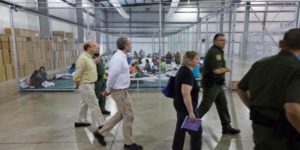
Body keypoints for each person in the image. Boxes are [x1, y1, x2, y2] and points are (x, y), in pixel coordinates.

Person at [237, 28, 300, 150]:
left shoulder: (261, 63)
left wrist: (253, 107)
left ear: (281, 43)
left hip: (260, 130)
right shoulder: (296, 69)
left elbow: (240, 88)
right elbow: (292, 109)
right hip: (285, 135)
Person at [94, 37, 143, 150]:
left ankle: (100, 133)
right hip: (119, 91)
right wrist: (107, 89)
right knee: (128, 115)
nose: (131, 46)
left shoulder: (122, 57)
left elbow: (119, 73)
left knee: (121, 114)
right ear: (125, 46)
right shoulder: (118, 58)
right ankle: (128, 143)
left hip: (122, 90)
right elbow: (112, 75)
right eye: (129, 44)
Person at [197, 33, 240, 135]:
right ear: (215, 41)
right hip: (212, 84)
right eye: (221, 40)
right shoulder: (214, 52)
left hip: (218, 85)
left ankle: (226, 127)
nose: (224, 42)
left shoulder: (218, 52)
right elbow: (216, 70)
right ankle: (188, 126)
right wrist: (226, 69)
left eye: (224, 40)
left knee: (223, 105)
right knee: (205, 106)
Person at [172, 51, 202, 150]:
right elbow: (186, 94)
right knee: (197, 132)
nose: (199, 61)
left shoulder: (182, 70)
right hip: (186, 108)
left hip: (179, 106)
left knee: (180, 130)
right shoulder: (187, 73)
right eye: (196, 59)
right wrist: (191, 112)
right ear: (189, 60)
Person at [73, 41, 105, 129]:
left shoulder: (89, 57)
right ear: (88, 47)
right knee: (94, 104)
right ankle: (102, 124)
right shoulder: (83, 58)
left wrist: (101, 56)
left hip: (90, 84)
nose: (96, 48)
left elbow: (93, 63)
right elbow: (78, 74)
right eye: (95, 46)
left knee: (84, 103)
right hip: (86, 85)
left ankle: (79, 121)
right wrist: (77, 84)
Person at [94, 45, 111, 115]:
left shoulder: (99, 58)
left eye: (99, 48)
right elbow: (94, 62)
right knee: (97, 95)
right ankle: (96, 110)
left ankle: (102, 109)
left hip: (102, 79)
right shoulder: (92, 57)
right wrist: (102, 55)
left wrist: (105, 72)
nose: (98, 50)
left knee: (103, 95)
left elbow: (101, 67)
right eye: (96, 48)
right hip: (97, 80)